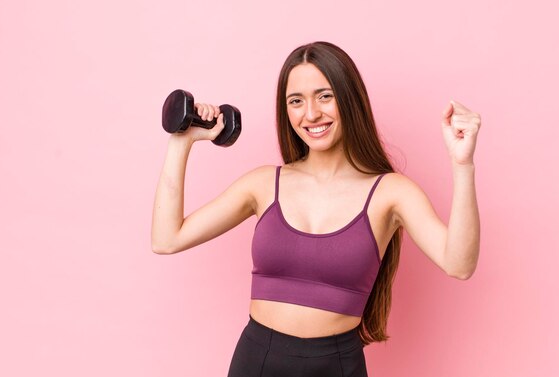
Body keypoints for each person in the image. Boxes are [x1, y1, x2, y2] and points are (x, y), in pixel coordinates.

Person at [151, 41, 481, 377]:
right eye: (296, 101)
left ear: (349, 99)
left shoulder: (391, 193)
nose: (311, 114)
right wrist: (182, 141)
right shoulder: (264, 184)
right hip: (256, 361)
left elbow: (459, 264)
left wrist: (463, 164)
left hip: (336, 365)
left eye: (324, 96)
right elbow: (167, 239)